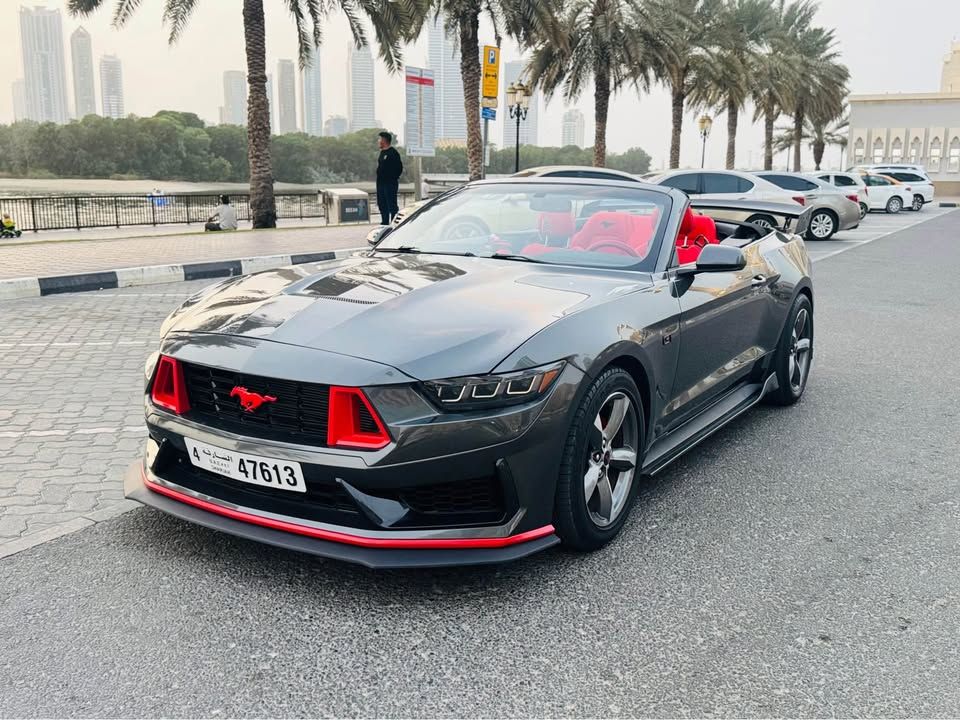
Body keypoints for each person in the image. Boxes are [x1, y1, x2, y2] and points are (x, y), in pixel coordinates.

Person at [376, 131, 402, 225]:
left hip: (390, 183)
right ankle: (384, 222)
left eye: (379, 139)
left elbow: (399, 168)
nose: (378, 141)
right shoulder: (382, 153)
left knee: (391, 204)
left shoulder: (393, 153)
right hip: (380, 183)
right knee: (382, 203)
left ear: (384, 140)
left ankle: (394, 223)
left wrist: (392, 178)